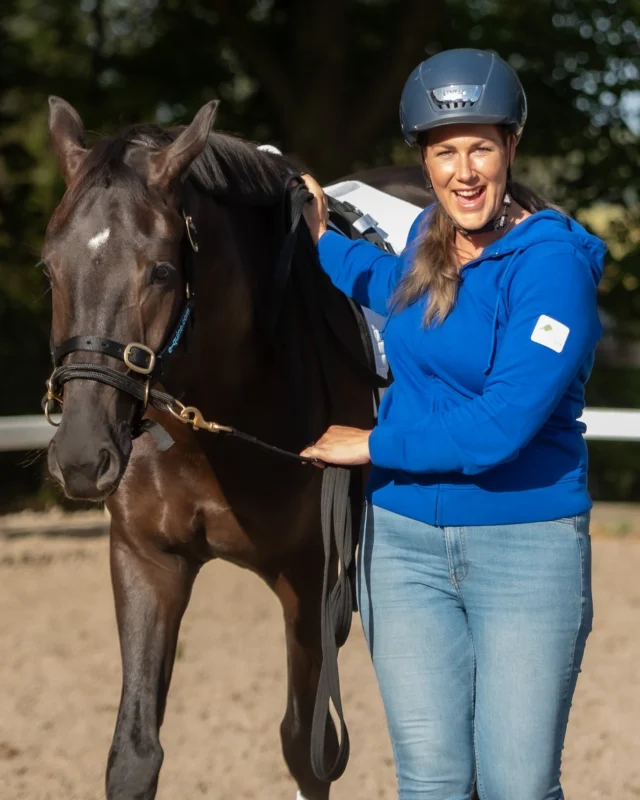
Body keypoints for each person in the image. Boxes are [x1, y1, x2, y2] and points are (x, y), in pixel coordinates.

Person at [300, 48, 605, 800]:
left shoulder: (553, 266)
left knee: (516, 787)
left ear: (510, 150)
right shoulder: (423, 245)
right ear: (426, 162)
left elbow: (501, 424)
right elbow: (380, 283)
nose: (464, 171)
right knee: (432, 783)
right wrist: (318, 239)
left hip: (524, 548)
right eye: (445, 152)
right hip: (401, 548)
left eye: (480, 147)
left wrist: (372, 443)